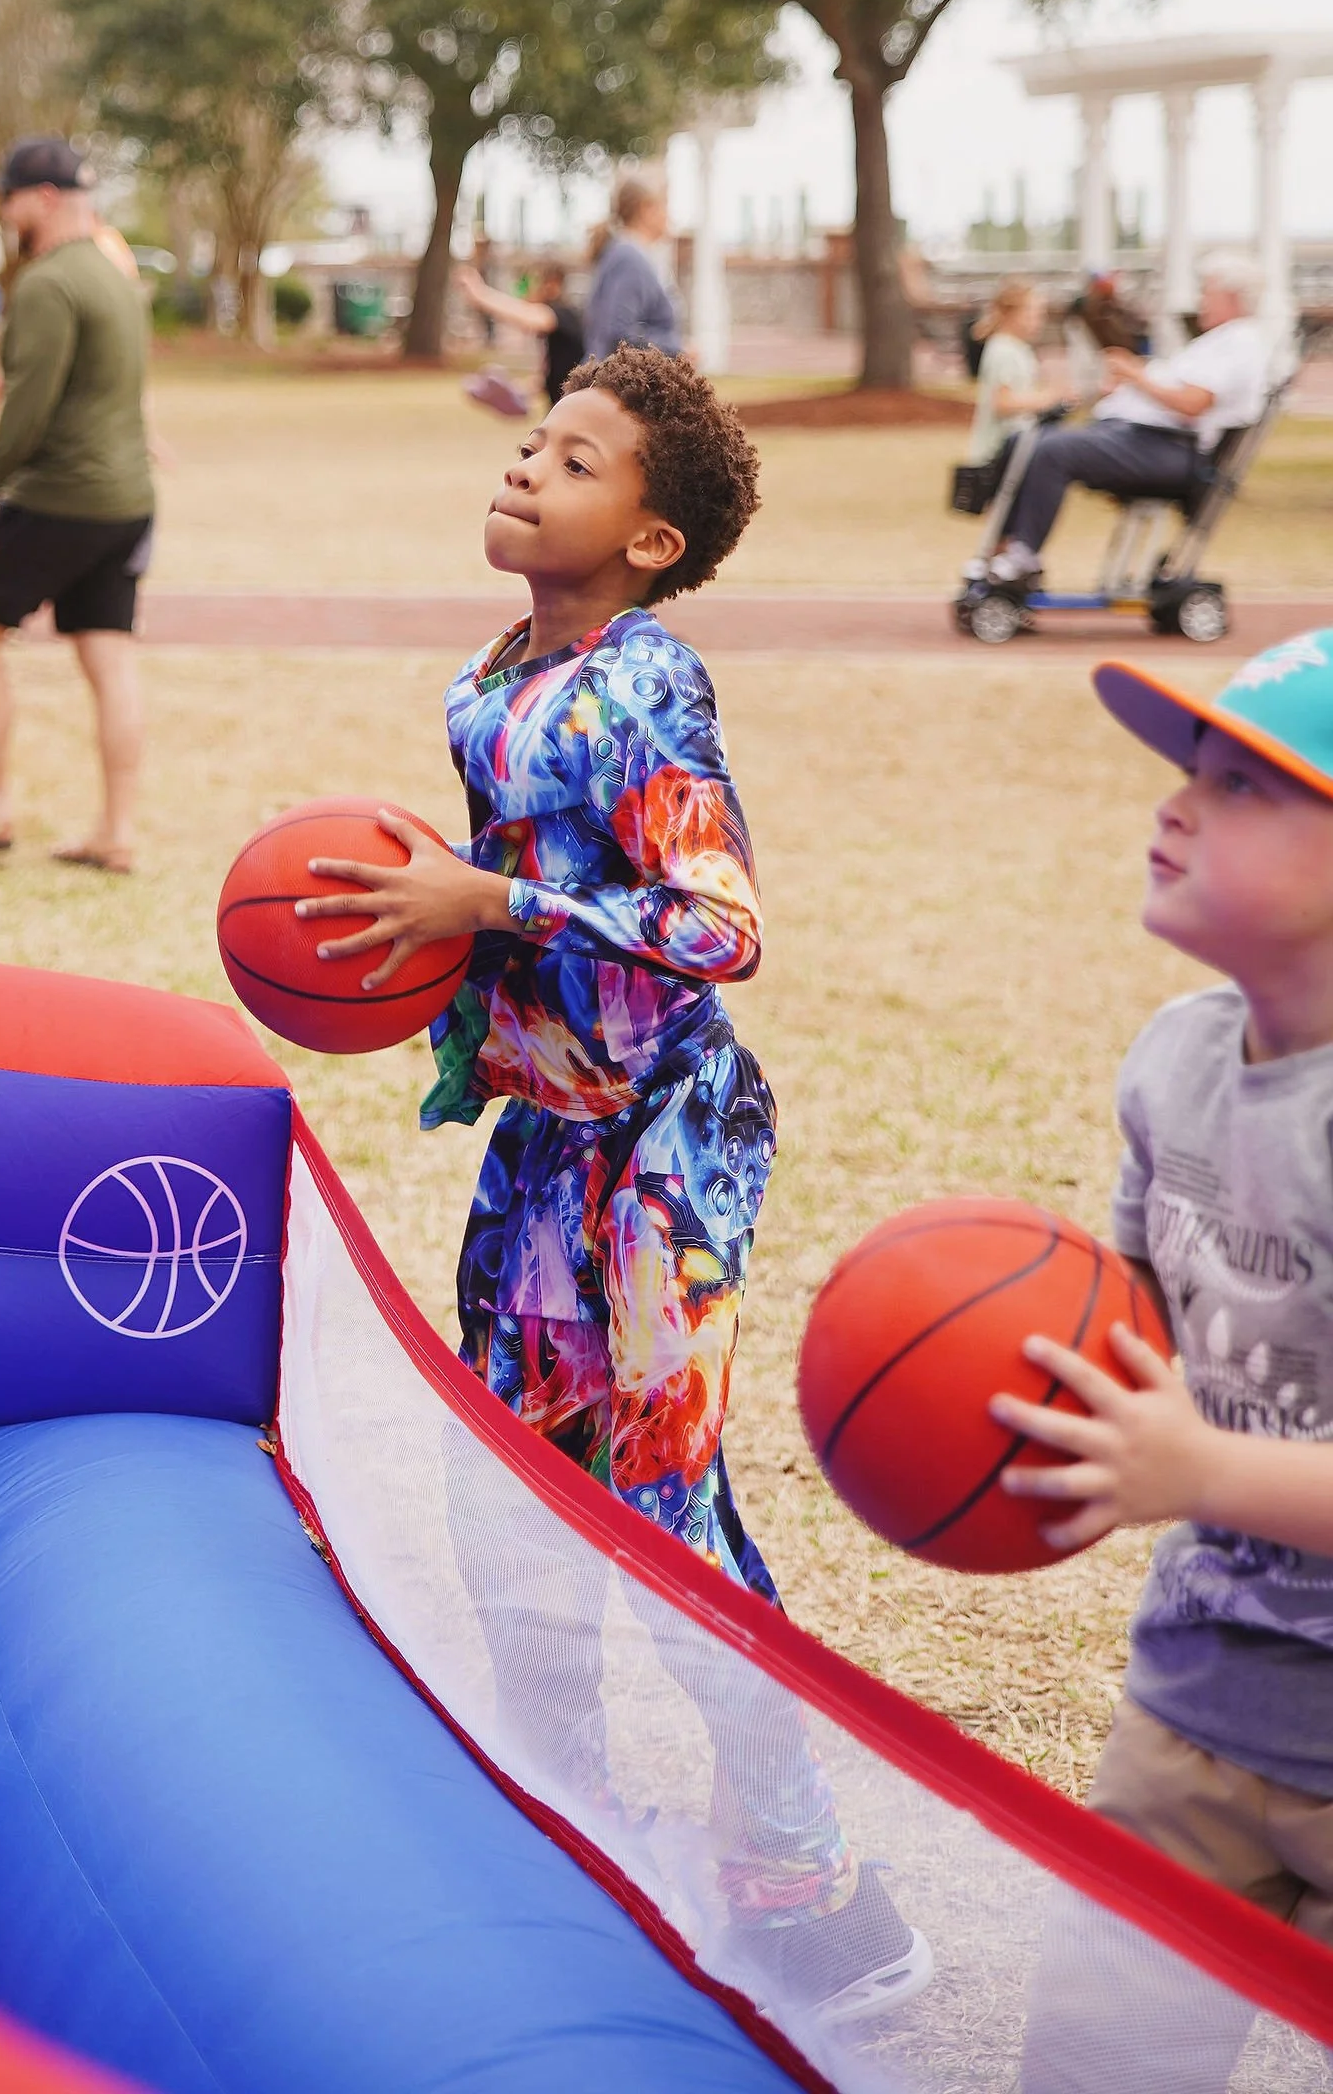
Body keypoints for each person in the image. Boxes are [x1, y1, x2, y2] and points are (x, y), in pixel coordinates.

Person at [295, 342, 927, 2018]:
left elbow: (719, 925)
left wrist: (483, 912)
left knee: (664, 1517)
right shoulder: (488, 677)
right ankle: (562, 1837)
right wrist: (430, 955)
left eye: (574, 460)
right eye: (529, 440)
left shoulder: (644, 683)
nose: (526, 467)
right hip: (539, 1157)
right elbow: (507, 885)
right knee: (500, 1502)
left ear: (651, 538)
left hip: (660, 1157)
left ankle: (816, 1902)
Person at [1000, 632, 1333, 2087]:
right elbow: (1129, 1322)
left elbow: (1184, 1439)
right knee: (1098, 2059)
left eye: (1249, 783)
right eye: (1190, 769)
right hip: (1199, 1694)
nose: (1177, 804)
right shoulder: (1174, 1062)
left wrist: (1199, 1467)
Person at [0, 135, 152, 873]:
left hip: (61, 496)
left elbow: (32, 406)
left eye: (8, 196)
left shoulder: (47, 282)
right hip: (127, 498)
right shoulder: (113, 272)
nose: (2, 210)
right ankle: (116, 830)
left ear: (42, 199)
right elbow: (87, 378)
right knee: (109, 658)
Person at [988, 254, 1271, 583]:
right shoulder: (1219, 341)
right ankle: (1005, 547)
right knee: (1027, 441)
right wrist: (1130, 382)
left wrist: (1135, 375)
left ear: (1232, 297)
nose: (1201, 301)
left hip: (1170, 450)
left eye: (1208, 293)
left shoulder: (1239, 344)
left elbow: (1193, 403)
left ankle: (1022, 556)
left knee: (1053, 450)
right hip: (1147, 440)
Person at [455, 257, 587, 413]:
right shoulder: (557, 332)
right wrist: (513, 392)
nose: (524, 292)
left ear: (552, 284)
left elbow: (528, 317)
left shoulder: (563, 314)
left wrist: (480, 295)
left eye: (527, 284)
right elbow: (555, 377)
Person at [583, 176, 681, 361]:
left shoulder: (627, 253)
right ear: (646, 209)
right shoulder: (630, 257)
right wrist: (676, 349)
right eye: (665, 205)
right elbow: (619, 334)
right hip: (616, 383)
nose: (670, 215)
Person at [965, 279, 1057, 472]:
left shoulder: (1017, 348)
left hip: (1015, 450)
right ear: (1011, 314)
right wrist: (1048, 398)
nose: (1039, 321)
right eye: (1033, 314)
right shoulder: (1003, 350)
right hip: (997, 453)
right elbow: (1003, 403)